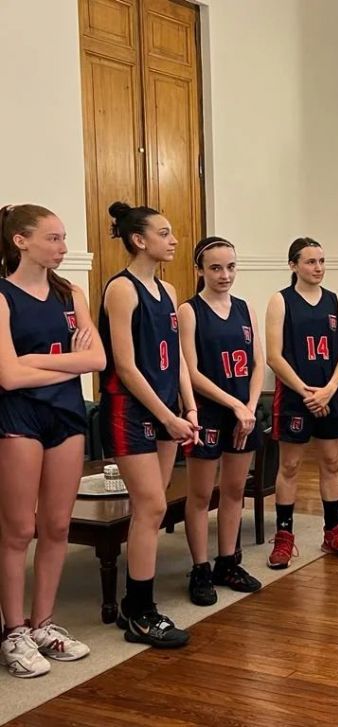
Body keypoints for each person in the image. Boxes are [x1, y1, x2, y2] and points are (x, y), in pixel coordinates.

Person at [0, 204, 105, 677]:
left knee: (58, 525)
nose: (63, 247)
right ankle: (14, 631)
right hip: (19, 416)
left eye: (64, 238)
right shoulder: (3, 297)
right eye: (53, 238)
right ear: (21, 241)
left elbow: (97, 360)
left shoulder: (70, 293)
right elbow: (7, 376)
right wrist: (66, 361)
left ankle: (43, 624)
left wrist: (34, 361)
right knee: (19, 530)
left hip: (66, 414)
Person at [99, 201, 199, 648]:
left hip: (166, 409)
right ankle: (141, 613)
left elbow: (176, 357)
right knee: (153, 506)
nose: (173, 240)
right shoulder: (122, 289)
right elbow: (124, 365)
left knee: (150, 511)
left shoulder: (168, 289)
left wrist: (188, 408)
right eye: (164, 233)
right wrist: (166, 415)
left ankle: (133, 602)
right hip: (131, 409)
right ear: (139, 240)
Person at [178, 237, 264, 605]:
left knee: (234, 490)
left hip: (243, 412)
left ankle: (227, 562)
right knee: (201, 494)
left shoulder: (245, 309)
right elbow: (191, 371)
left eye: (230, 267)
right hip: (210, 412)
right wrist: (234, 405)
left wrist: (250, 407)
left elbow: (258, 363)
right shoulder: (189, 310)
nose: (224, 274)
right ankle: (200, 567)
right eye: (215, 268)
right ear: (199, 270)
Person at [265, 237, 338, 567]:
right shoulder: (281, 301)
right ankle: (284, 537)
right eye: (310, 261)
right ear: (293, 265)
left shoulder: (337, 301)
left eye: (321, 261)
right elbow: (274, 356)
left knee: (332, 462)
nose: (318, 267)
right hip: (296, 397)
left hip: (330, 395)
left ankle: (333, 532)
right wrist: (307, 392)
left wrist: (329, 389)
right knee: (290, 466)